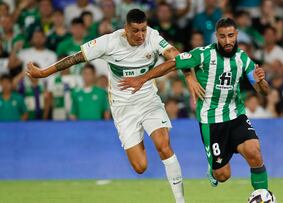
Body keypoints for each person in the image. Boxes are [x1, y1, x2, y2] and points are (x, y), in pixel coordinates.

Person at [26, 9, 202, 203]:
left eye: (143, 30)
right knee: (140, 166)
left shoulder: (152, 37)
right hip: (123, 107)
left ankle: (180, 201)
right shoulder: (108, 42)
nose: (140, 35)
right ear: (125, 28)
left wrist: (189, 77)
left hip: (148, 100)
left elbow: (176, 56)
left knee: (164, 145)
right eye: (135, 30)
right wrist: (44, 73)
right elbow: (75, 58)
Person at [120, 18, 270, 192]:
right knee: (223, 175)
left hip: (236, 115)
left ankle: (264, 196)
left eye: (231, 35)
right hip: (211, 121)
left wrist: (261, 81)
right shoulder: (203, 54)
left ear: (236, 35)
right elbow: (172, 63)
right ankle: (213, 169)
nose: (227, 41)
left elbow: (263, 90)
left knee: (254, 152)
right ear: (216, 37)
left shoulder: (243, 58)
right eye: (222, 36)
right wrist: (141, 79)